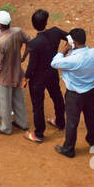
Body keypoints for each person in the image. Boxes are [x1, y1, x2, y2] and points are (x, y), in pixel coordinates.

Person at [52, 28, 94, 157]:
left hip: (74, 94)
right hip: (90, 91)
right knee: (92, 117)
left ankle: (68, 149)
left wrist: (64, 50)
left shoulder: (73, 60)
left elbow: (54, 63)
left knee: (72, 122)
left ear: (73, 42)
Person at [23, 9, 66, 142]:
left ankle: (39, 133)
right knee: (57, 96)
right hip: (52, 72)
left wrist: (25, 78)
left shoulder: (34, 43)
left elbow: (32, 64)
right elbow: (71, 38)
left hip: (37, 78)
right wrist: (64, 52)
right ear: (46, 22)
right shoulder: (55, 32)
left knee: (38, 105)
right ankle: (60, 122)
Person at [0, 10, 29, 136]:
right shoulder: (18, 31)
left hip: (4, 78)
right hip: (17, 72)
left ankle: (6, 128)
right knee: (19, 99)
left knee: (4, 103)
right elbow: (29, 42)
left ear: (0, 25)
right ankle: (22, 123)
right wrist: (23, 57)